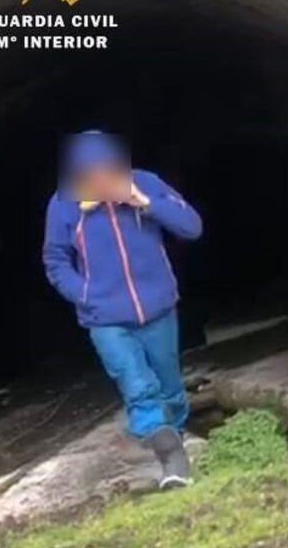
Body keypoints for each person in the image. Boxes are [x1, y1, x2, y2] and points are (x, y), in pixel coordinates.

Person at [42, 132, 203, 489]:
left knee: (170, 386)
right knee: (137, 386)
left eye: (106, 171)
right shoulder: (64, 204)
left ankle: (177, 437)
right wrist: (84, 293)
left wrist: (144, 202)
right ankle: (172, 461)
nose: (99, 181)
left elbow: (191, 227)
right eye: (89, 174)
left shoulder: (146, 184)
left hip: (158, 307)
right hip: (106, 319)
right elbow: (55, 260)